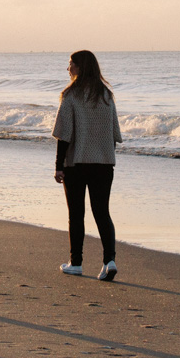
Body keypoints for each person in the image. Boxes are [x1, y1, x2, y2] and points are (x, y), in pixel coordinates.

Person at [53, 49, 121, 281]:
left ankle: (76, 262)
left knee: (77, 213)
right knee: (102, 212)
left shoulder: (70, 95)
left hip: (76, 163)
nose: (68, 68)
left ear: (80, 67)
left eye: (71, 64)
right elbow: (113, 134)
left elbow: (64, 134)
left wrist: (59, 165)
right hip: (104, 163)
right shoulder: (106, 94)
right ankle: (109, 261)